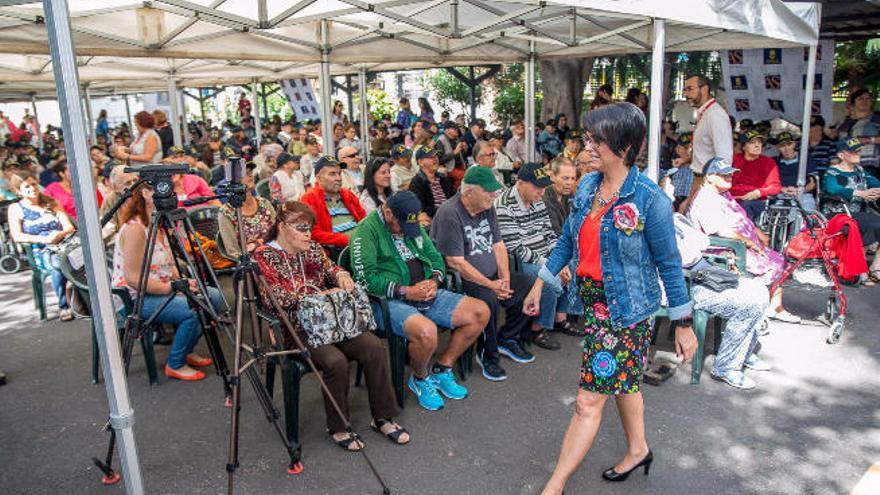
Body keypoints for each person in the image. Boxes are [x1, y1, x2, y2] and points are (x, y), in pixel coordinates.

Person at [527, 103, 696, 495]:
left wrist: (683, 324)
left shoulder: (650, 201)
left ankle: (555, 485)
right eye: (587, 138)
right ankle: (638, 449)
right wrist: (541, 284)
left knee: (588, 401)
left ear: (623, 146)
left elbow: (670, 266)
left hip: (628, 312)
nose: (587, 146)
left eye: (595, 139)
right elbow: (568, 241)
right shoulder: (588, 185)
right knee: (624, 382)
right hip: (594, 305)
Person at [251, 201, 407, 449]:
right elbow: (276, 299)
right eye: (301, 228)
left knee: (374, 347)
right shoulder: (263, 256)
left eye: (310, 227)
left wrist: (342, 276)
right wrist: (318, 297)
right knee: (335, 361)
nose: (308, 233)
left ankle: (382, 417)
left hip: (330, 320)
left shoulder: (311, 248)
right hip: (293, 328)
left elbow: (330, 268)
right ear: (282, 226)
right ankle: (338, 426)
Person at [349, 191, 488, 410]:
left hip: (425, 293)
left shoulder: (410, 223)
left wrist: (434, 281)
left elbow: (435, 258)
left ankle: (442, 368)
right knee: (427, 332)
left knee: (480, 312)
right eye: (401, 226)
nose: (406, 231)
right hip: (387, 302)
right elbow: (365, 279)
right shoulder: (365, 232)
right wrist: (405, 291)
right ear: (388, 212)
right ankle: (420, 378)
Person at [431, 167, 537, 382]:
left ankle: (506, 338)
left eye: (494, 191)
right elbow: (456, 263)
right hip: (464, 281)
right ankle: (487, 354)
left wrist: (504, 278)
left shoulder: (486, 208)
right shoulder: (449, 213)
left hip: (491, 277)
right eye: (488, 191)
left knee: (529, 284)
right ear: (469, 192)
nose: (493, 195)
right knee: (488, 300)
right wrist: (492, 286)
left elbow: (498, 244)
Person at [111, 181, 223, 381]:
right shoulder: (135, 229)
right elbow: (133, 279)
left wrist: (184, 281)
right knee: (193, 309)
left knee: (213, 297)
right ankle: (176, 363)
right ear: (146, 193)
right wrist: (171, 287)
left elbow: (170, 264)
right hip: (135, 298)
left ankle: (186, 348)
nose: (172, 194)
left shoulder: (159, 224)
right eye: (164, 189)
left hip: (163, 287)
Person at [689, 157, 800, 323]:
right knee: (773, 265)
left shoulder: (723, 194)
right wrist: (750, 242)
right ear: (710, 177)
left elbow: (741, 217)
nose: (729, 178)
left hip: (742, 244)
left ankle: (774, 307)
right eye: (724, 175)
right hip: (726, 250)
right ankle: (755, 307)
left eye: (730, 175)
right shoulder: (705, 198)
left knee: (780, 259)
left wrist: (757, 232)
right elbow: (721, 231)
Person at [672, 214, 771, 389]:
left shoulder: (674, 219)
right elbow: (686, 254)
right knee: (750, 304)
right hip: (689, 285)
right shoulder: (660, 224)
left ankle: (743, 352)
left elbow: (702, 241)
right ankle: (726, 367)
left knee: (760, 290)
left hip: (706, 275)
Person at [495, 162, 577, 347]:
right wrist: (549, 264)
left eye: (543, 187)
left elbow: (549, 234)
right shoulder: (504, 205)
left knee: (571, 264)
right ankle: (537, 329)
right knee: (547, 278)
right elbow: (515, 248)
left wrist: (559, 259)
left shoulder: (537, 199)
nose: (541, 191)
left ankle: (559, 317)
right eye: (537, 187)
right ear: (521, 182)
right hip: (520, 261)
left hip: (542, 255)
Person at [7, 171, 76, 321]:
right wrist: (42, 239)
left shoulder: (50, 202)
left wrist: (58, 235)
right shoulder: (16, 208)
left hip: (62, 242)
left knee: (77, 257)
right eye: (27, 186)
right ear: (19, 190)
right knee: (58, 263)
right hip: (39, 249)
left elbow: (69, 227)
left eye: (33, 184)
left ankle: (84, 299)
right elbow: (17, 236)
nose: (32, 188)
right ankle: (63, 305)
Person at [822, 138, 880, 281]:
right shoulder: (832, 172)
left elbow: (875, 182)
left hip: (861, 213)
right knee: (869, 224)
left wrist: (876, 191)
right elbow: (832, 188)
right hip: (839, 214)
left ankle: (876, 267)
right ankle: (860, 268)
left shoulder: (860, 171)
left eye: (859, 151)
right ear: (842, 155)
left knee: (874, 223)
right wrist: (861, 193)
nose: (858, 154)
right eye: (854, 152)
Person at [680, 75, 733, 214]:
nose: (686, 94)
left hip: (708, 184)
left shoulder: (716, 115)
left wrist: (712, 190)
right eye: (685, 90)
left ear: (705, 89)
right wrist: (687, 159)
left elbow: (724, 159)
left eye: (690, 89)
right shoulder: (705, 113)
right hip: (699, 180)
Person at [299, 156, 366, 248]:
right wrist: (350, 240)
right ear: (318, 178)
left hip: (361, 245)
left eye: (339, 173)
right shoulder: (309, 198)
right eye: (332, 174)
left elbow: (364, 220)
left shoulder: (348, 194)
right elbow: (313, 233)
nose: (338, 178)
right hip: (338, 252)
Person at [218, 169, 276, 259]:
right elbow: (233, 252)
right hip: (252, 262)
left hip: (276, 252)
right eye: (245, 173)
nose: (250, 175)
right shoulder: (227, 212)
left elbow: (279, 231)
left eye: (251, 172)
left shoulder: (264, 203)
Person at [730, 130, 782, 220]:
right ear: (743, 147)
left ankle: (746, 232)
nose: (757, 145)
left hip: (756, 201)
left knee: (747, 205)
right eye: (752, 143)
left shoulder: (768, 163)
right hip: (732, 199)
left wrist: (758, 192)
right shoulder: (733, 160)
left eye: (759, 142)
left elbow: (775, 187)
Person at [835, 89, 880, 174]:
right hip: (845, 164)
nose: (865, 101)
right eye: (861, 98)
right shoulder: (844, 122)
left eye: (868, 99)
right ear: (853, 103)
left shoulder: (877, 119)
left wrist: (869, 140)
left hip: (869, 163)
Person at [407, 145, 454, 225]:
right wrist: (445, 210)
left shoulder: (443, 178)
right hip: (435, 220)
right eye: (430, 157)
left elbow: (453, 197)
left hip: (452, 214)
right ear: (421, 162)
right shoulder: (416, 183)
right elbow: (422, 209)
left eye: (436, 156)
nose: (435, 159)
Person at [774, 131, 817, 211]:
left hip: (804, 195)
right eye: (782, 146)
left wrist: (799, 190)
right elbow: (770, 183)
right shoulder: (775, 161)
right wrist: (782, 189)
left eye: (789, 144)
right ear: (777, 147)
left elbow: (813, 182)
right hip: (782, 196)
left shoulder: (805, 157)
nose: (786, 149)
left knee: (807, 216)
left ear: (794, 144)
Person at [544, 156, 577, 236]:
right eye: (565, 178)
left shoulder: (570, 196)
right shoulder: (544, 200)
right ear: (552, 177)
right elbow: (557, 234)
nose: (569, 183)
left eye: (573, 178)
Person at [668, 133, 696, 212]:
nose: (689, 151)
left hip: (691, 200)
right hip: (674, 201)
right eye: (686, 148)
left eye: (692, 147)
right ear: (678, 149)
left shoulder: (699, 165)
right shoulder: (673, 164)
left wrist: (686, 160)